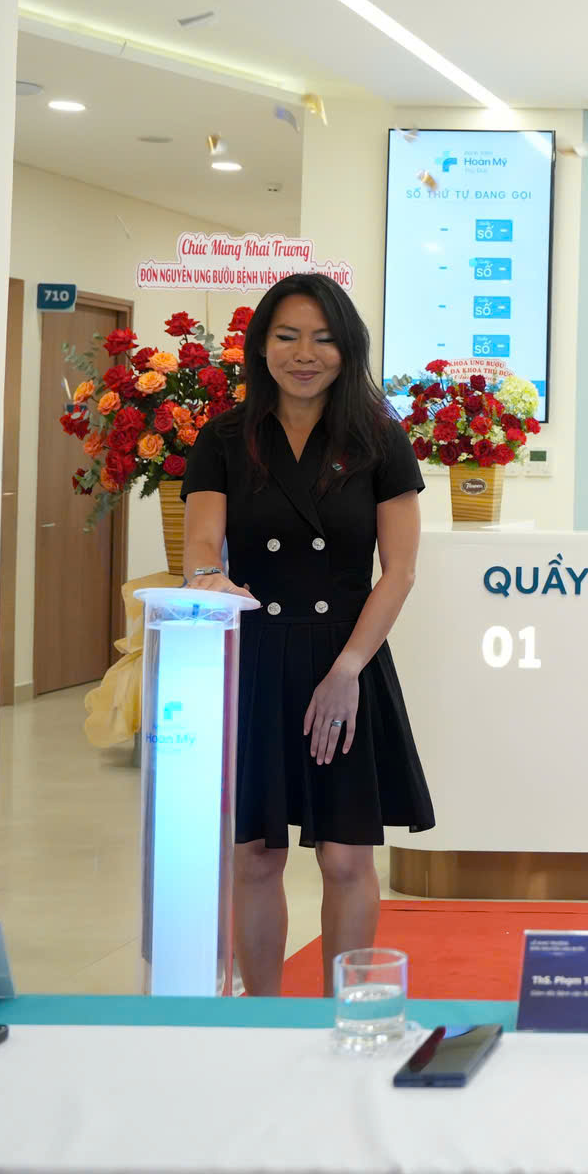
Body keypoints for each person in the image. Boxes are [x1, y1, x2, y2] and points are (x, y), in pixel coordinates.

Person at [180, 273, 434, 996]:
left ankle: (344, 1014)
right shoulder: (225, 437)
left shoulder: (379, 438)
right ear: (261, 346)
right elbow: (200, 545)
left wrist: (348, 670)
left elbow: (399, 571)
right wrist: (208, 580)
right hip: (257, 659)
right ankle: (262, 1017)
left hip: (346, 659)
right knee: (256, 856)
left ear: (347, 348)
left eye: (323, 338)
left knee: (347, 858)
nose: (304, 353)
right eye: (287, 336)